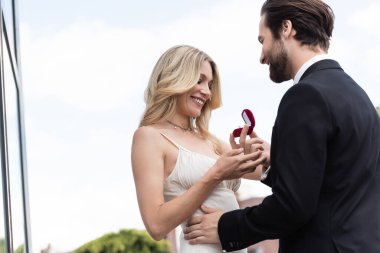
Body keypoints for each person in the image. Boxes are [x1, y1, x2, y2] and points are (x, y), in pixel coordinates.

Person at [184, 1, 380, 252]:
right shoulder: (358, 96)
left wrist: (224, 227)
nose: (262, 56)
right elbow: (335, 185)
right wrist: (276, 161)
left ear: (286, 28)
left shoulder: (305, 95)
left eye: (262, 40)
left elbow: (293, 206)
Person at [131, 45, 269, 253]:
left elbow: (271, 171)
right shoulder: (149, 137)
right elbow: (156, 226)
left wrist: (263, 153)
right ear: (174, 78)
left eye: (210, 84)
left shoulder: (212, 142)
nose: (206, 91)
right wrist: (215, 174)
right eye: (199, 80)